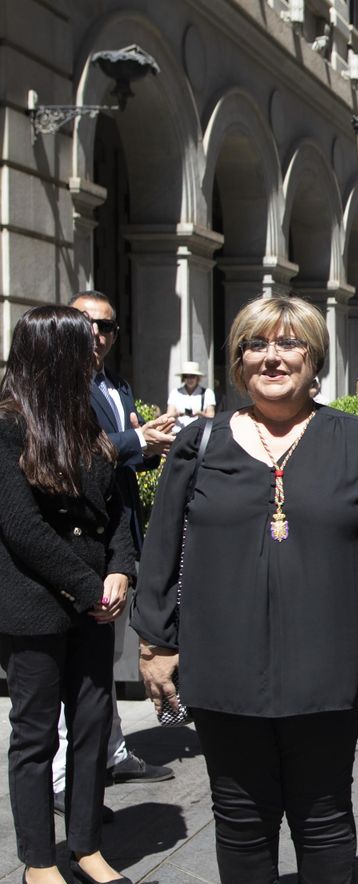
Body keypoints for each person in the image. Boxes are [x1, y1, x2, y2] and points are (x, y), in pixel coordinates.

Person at [134, 294, 358, 884]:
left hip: (329, 660)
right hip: (223, 663)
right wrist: (154, 640)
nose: (273, 357)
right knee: (240, 813)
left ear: (314, 360)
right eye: (258, 345)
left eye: (290, 346)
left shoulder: (355, 441)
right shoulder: (200, 443)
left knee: (322, 811)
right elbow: (160, 546)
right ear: (238, 360)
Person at [1, 305, 139, 884]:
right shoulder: (8, 423)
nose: (95, 350)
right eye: (82, 343)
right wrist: (87, 588)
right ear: (49, 354)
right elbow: (22, 528)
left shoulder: (87, 415)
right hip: (37, 605)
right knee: (34, 738)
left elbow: (121, 504)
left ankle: (85, 845)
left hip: (94, 602)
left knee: (91, 727)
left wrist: (120, 568)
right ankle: (39, 861)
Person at [53, 290, 174, 811]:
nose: (97, 335)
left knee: (106, 653)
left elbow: (122, 462)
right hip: (76, 542)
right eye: (86, 324)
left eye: (106, 327)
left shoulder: (115, 385)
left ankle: (112, 749)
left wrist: (154, 445)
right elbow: (78, 457)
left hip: (118, 535)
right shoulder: (57, 386)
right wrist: (134, 442)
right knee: (70, 661)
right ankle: (61, 773)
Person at [165, 361, 217, 428]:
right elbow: (169, 415)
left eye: (192, 376)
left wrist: (200, 413)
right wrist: (179, 413)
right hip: (179, 432)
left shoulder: (208, 393)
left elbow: (211, 416)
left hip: (199, 431)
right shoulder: (175, 393)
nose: (189, 379)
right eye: (186, 376)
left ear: (198, 378)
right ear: (183, 378)